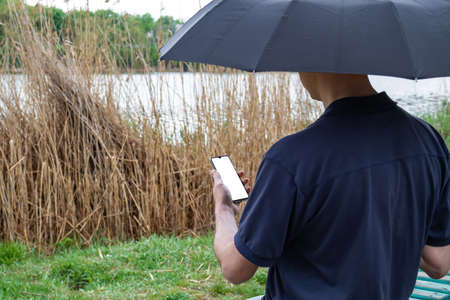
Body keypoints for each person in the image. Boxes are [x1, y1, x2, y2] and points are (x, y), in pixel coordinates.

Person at [211, 72, 450, 300]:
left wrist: (223, 209)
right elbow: (439, 263)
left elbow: (235, 269)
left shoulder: (291, 159)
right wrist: (389, 220)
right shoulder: (428, 141)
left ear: (313, 60)